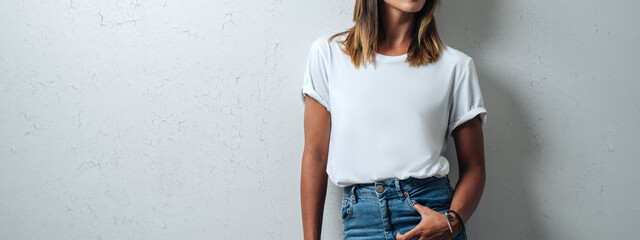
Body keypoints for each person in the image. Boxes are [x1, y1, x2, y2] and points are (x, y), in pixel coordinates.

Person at [300, 0, 487, 239]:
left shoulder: (455, 66)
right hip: (361, 224)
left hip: (429, 215)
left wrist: (452, 222)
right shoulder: (328, 55)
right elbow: (315, 156)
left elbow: (474, 166)